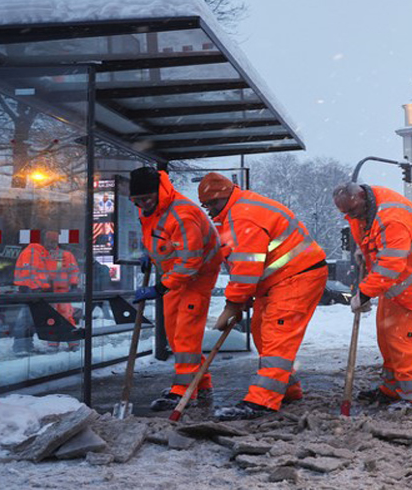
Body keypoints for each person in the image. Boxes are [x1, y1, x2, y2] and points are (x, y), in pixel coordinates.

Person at [197, 173, 328, 420]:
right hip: (280, 279)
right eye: (206, 206)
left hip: (297, 276)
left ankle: (263, 400)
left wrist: (233, 304)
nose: (211, 211)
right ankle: (286, 388)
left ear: (226, 196)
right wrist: (242, 298)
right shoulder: (237, 211)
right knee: (261, 332)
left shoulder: (243, 216)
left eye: (213, 204)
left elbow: (247, 266)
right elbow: (249, 263)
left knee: (277, 336)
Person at [333, 182, 412, 413]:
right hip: (398, 283)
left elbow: (390, 265)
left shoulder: (392, 218)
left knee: (404, 341)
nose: (351, 216)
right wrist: (365, 251)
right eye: (346, 213)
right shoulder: (366, 209)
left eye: (352, 211)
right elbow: (378, 243)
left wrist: (364, 293)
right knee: (387, 336)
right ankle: (392, 388)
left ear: (361, 197)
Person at [129, 166, 222, 413]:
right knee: (174, 332)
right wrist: (150, 255)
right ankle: (202, 385)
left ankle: (183, 391)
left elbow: (190, 262)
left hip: (198, 276)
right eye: (137, 200)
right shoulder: (149, 209)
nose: (143, 204)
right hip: (175, 275)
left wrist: (159, 287)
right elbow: (159, 237)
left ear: (158, 192)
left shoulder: (182, 214)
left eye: (147, 199)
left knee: (186, 333)